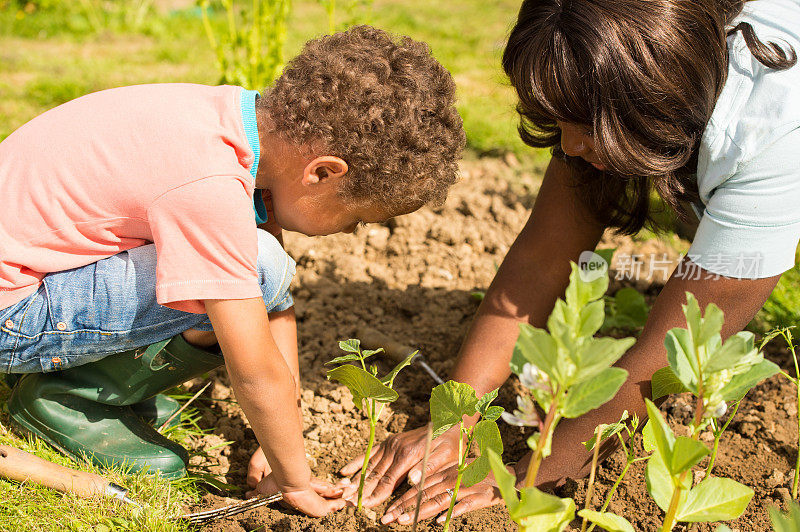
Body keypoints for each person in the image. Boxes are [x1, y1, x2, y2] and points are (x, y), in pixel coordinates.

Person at [339, 0, 800, 525]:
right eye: (560, 120)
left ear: (655, 100)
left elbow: (678, 345)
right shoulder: (616, 73)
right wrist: (457, 417)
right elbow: (543, 257)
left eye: (582, 124)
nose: (568, 145)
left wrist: (535, 474)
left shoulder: (776, 131)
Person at [0, 25, 465, 517]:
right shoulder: (210, 188)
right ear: (324, 172)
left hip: (33, 272)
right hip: (10, 315)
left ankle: (102, 376)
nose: (349, 233)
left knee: (258, 266)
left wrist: (287, 430)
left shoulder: (239, 125)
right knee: (254, 265)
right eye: (355, 218)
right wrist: (296, 480)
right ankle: (67, 399)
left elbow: (274, 303)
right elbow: (256, 369)